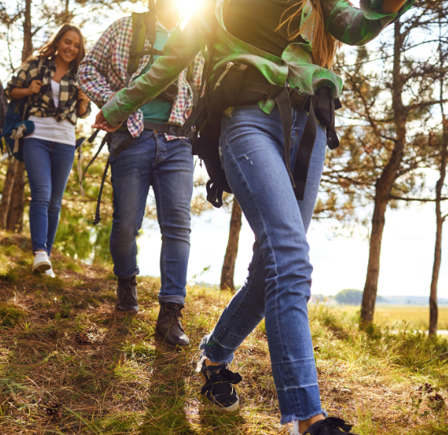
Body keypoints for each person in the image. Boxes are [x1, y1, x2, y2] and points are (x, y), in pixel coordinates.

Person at [91, 0, 414, 433]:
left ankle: (215, 354)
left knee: (272, 270)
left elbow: (355, 27)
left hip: (310, 126)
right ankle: (307, 418)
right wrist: (115, 109)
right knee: (291, 258)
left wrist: (385, 6)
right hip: (247, 118)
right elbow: (170, 61)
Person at [78, 0, 204, 348]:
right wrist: (115, 101)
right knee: (125, 226)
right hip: (131, 137)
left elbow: (200, 86)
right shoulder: (124, 28)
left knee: (178, 224)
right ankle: (126, 282)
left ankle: (170, 313)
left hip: (177, 140)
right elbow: (86, 70)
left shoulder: (195, 35)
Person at [5, 24, 90, 277]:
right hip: (36, 135)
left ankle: (46, 262)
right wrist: (28, 89)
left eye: (76, 45)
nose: (71, 48)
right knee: (41, 193)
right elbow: (10, 89)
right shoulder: (38, 64)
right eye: (67, 42)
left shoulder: (81, 72)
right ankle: (40, 252)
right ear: (58, 41)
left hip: (65, 139)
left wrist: (84, 100)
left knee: (55, 202)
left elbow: (83, 112)